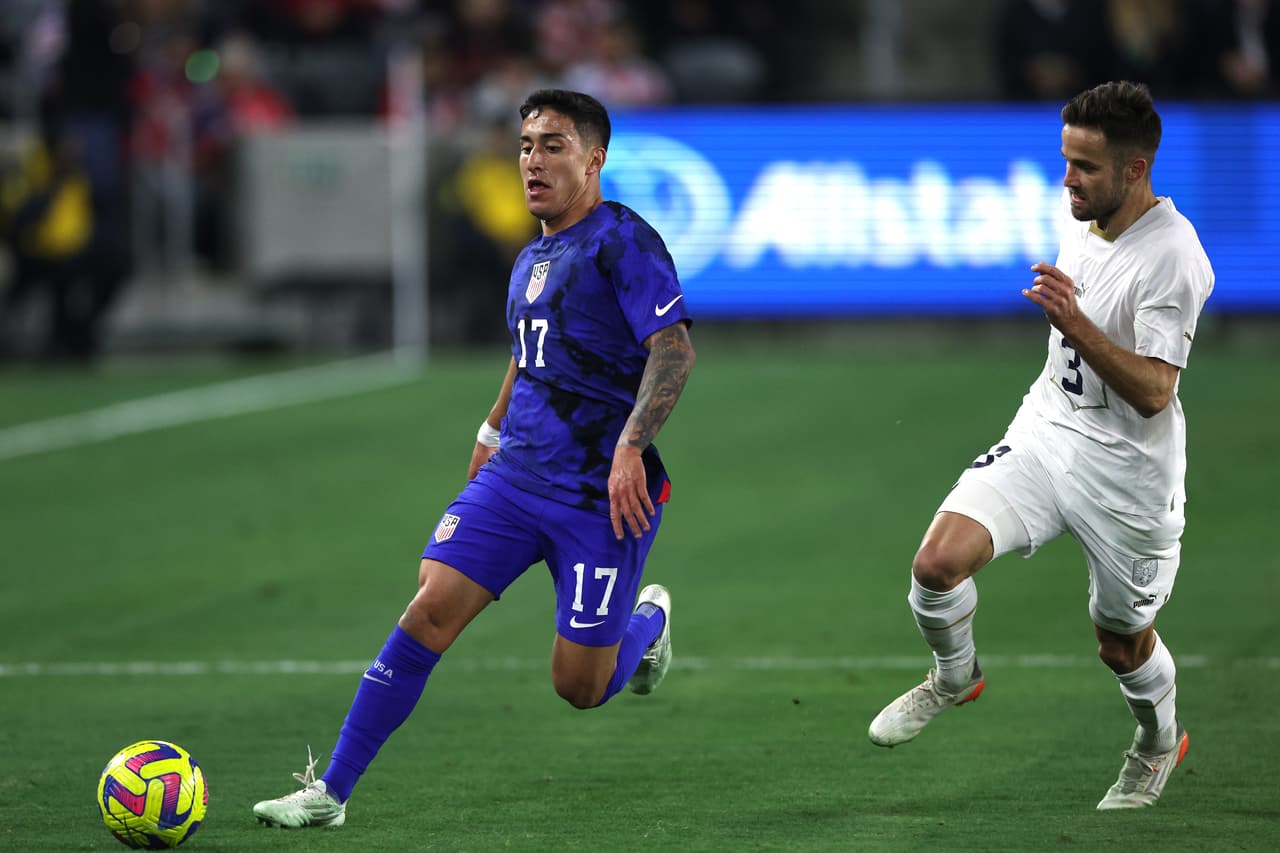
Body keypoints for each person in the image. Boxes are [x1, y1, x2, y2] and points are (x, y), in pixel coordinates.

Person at [251, 88, 695, 829]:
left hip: (599, 497)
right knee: (429, 607)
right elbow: (529, 358)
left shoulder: (624, 241)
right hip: (517, 478)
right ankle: (330, 790)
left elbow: (673, 349)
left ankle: (646, 624)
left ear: (594, 159)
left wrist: (630, 446)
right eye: (525, 146)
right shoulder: (530, 258)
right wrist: (490, 433)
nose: (532, 161)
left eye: (553, 146)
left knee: (579, 686)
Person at [866, 81, 1213, 811]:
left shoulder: (1174, 257)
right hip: (1049, 430)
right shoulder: (1083, 215)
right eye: (1066, 162)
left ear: (1135, 171)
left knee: (1120, 641)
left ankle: (1158, 742)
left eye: (1085, 166)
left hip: (1128, 475)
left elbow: (1156, 391)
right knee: (936, 565)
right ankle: (954, 675)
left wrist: (1077, 324)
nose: (1068, 181)